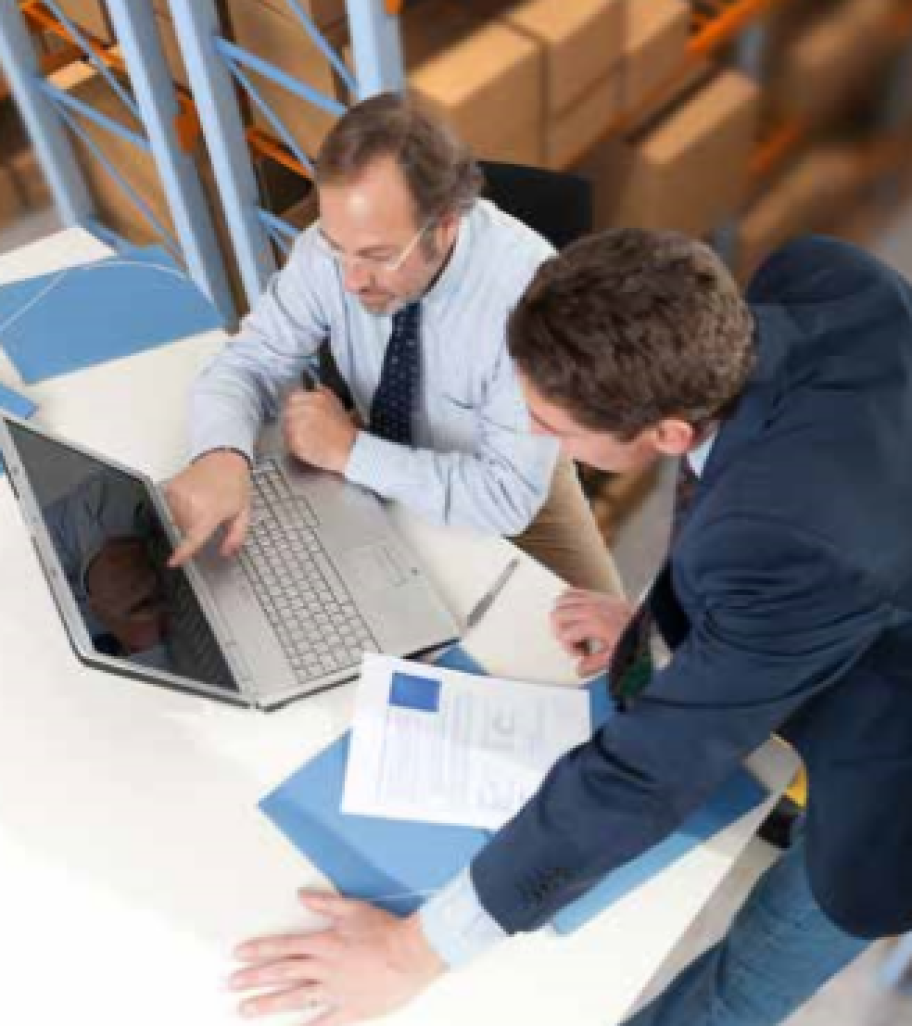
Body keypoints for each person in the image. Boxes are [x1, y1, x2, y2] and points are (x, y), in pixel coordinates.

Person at [226, 231, 912, 1026]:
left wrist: (410, 953)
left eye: (554, 425)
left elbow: (645, 774)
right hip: (869, 591)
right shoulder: (819, 273)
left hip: (895, 782)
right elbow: (761, 536)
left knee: (745, 981)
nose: (536, 435)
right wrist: (693, 629)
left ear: (669, 433)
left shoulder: (793, 544)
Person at [164, 92, 620, 596]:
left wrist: (351, 452)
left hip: (505, 477)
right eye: (340, 250)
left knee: (618, 661)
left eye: (378, 256)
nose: (353, 281)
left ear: (445, 227)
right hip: (372, 444)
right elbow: (248, 362)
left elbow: (507, 497)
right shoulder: (329, 250)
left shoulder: (528, 294)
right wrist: (222, 453)